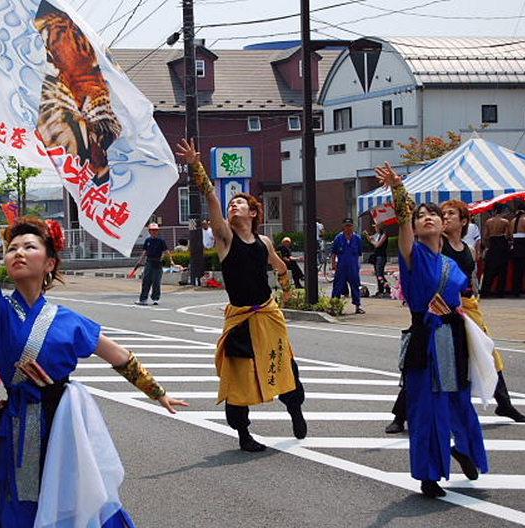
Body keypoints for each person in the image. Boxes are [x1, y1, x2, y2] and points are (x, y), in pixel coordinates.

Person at [0, 181, 187, 528]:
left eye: (29, 246)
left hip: (66, 432)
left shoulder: (69, 321)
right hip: (17, 433)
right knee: (19, 516)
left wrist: (159, 393)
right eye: (12, 248)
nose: (17, 252)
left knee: (78, 514)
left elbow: (119, 356)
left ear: (49, 263)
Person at [177, 138, 307, 452]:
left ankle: (294, 407)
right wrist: (196, 165)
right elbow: (212, 199)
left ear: (252, 212)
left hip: (268, 313)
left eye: (240, 204)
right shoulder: (224, 238)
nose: (234, 206)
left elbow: (281, 267)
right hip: (240, 318)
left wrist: (288, 291)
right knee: (238, 376)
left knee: (285, 364)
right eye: (231, 204)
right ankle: (243, 434)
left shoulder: (264, 241)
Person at [376, 163, 488, 498]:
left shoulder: (452, 263)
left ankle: (465, 451)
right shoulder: (413, 254)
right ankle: (429, 474)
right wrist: (399, 189)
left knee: (459, 402)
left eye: (433, 215)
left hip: (453, 337)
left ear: (443, 225)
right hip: (424, 339)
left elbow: (464, 298)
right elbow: (406, 214)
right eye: (420, 215)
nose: (426, 218)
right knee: (426, 408)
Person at [385, 199, 525, 434]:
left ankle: (502, 404)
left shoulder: (464, 250)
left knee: (483, 353)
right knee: (420, 370)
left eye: (450, 214)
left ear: (463, 221)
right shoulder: (433, 247)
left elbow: (467, 280)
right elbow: (411, 245)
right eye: (444, 213)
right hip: (432, 316)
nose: (446, 216)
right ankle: (401, 415)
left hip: (463, 312)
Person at [135, 222, 174, 305]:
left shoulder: (161, 241)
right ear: (149, 231)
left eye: (156, 230)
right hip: (149, 262)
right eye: (152, 230)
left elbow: (166, 251)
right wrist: (140, 261)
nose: (154, 232)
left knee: (156, 281)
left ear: (158, 231)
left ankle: (155, 298)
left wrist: (171, 261)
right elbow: (145, 252)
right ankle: (143, 299)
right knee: (146, 281)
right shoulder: (147, 240)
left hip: (158, 262)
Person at [331, 218, 365, 314]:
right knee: (337, 286)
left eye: (350, 226)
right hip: (341, 267)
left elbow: (359, 254)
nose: (348, 228)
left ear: (353, 226)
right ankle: (334, 306)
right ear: (343, 227)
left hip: (353, 267)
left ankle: (357, 306)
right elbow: (334, 253)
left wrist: (358, 266)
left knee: (355, 286)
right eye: (346, 226)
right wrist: (333, 264)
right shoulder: (338, 238)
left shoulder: (357, 239)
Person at [480, 205, 510, 297]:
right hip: (502, 243)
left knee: (489, 270)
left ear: (495, 211)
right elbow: (508, 235)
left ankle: (486, 291)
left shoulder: (488, 221)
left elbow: (485, 236)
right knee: (502, 270)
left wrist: (487, 245)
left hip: (492, 243)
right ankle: (500, 292)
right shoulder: (505, 221)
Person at [364, 222, 390, 297]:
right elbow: (371, 240)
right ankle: (380, 290)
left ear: (379, 227)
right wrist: (367, 236)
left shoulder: (384, 235)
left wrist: (372, 241)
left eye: (376, 226)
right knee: (378, 274)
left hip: (381, 257)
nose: (375, 228)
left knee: (380, 274)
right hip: (376, 256)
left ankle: (387, 288)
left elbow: (377, 244)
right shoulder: (377, 234)